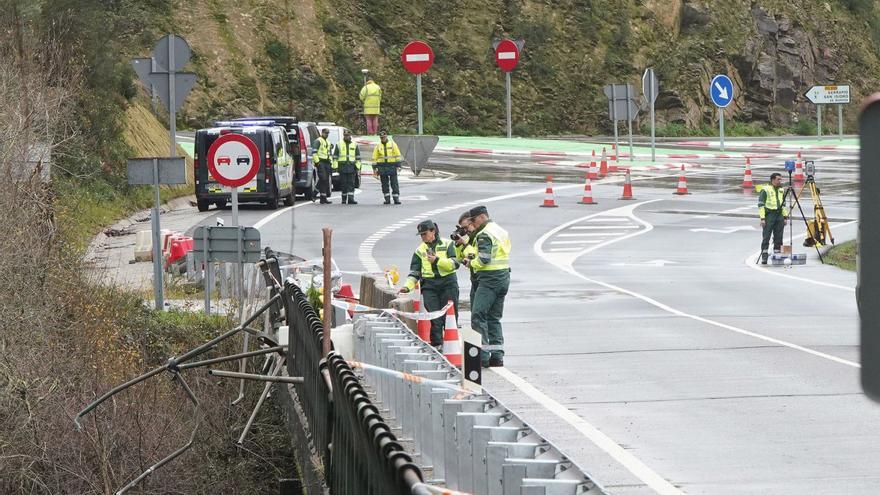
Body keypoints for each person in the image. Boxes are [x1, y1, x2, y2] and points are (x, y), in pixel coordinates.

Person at [461, 205, 510, 368]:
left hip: (490, 279)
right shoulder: (499, 230)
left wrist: (470, 263)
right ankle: (497, 356)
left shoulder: (484, 234)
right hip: (504, 277)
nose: (474, 224)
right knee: (493, 318)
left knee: (478, 315)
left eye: (474, 220)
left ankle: (482, 356)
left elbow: (484, 259)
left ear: (482, 217)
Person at [399, 220, 460, 349]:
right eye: (421, 235)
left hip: (448, 283)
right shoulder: (420, 250)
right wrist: (407, 287)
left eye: (425, 234)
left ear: (433, 231)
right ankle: (437, 347)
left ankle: (452, 348)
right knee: (434, 318)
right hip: (429, 286)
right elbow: (414, 273)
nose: (423, 237)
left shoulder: (448, 244)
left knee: (450, 318)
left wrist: (437, 260)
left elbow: (455, 264)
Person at [757, 172, 789, 265]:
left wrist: (785, 217)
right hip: (769, 215)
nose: (780, 181)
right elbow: (761, 205)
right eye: (778, 179)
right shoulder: (765, 189)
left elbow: (783, 205)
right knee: (766, 237)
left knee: (779, 237)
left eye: (780, 179)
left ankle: (777, 256)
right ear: (773, 179)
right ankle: (764, 257)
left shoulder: (781, 190)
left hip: (779, 215)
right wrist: (762, 218)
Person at [452, 211, 478, 306]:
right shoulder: (468, 239)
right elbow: (459, 259)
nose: (465, 231)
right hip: (475, 280)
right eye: (463, 229)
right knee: (475, 313)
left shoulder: (481, 237)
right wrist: (459, 245)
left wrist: (465, 244)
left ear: (473, 222)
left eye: (466, 227)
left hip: (484, 280)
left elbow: (473, 255)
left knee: (481, 314)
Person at [372, 130, 402, 205]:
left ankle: (396, 198)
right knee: (384, 184)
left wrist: (398, 166)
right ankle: (387, 199)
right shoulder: (378, 146)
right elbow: (374, 158)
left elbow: (397, 155)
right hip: (382, 167)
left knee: (394, 183)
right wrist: (375, 168)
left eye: (384, 137)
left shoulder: (392, 144)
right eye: (381, 137)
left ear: (386, 136)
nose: (383, 139)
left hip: (392, 166)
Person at [333, 130, 361, 205]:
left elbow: (358, 157)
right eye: (345, 135)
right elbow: (335, 157)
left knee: (351, 184)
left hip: (352, 167)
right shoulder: (339, 144)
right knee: (344, 184)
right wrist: (335, 167)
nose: (346, 136)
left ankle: (351, 199)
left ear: (350, 136)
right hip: (342, 167)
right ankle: (344, 199)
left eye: (347, 135)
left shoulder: (354, 144)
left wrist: (357, 167)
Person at [312, 128, 333, 204]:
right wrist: (317, 162)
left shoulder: (328, 142)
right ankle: (315, 194)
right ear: (322, 133)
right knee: (323, 178)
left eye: (327, 133)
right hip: (321, 162)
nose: (326, 134)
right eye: (325, 133)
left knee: (325, 180)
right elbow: (314, 152)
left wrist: (331, 162)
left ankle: (322, 198)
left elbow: (329, 153)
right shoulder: (318, 141)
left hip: (327, 162)